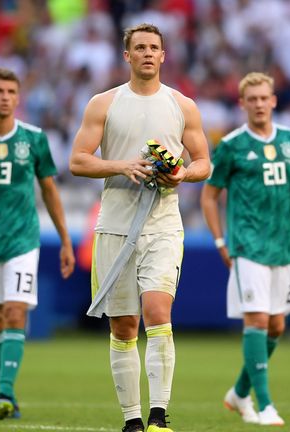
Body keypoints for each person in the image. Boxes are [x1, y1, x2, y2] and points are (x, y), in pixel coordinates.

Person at [70, 23, 211, 432]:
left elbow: (204, 163)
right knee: (124, 325)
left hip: (164, 225)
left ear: (164, 56)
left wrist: (181, 174)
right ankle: (131, 419)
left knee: (157, 311)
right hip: (114, 226)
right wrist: (122, 164)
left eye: (154, 47)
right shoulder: (104, 103)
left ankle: (159, 416)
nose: (148, 53)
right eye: (140, 47)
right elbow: (78, 160)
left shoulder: (182, 105)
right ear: (127, 55)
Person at [201, 72, 290, 426]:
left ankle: (238, 392)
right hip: (248, 246)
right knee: (258, 319)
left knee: (277, 325)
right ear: (243, 103)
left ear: (274, 100)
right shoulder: (232, 145)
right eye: (253, 99)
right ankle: (265, 405)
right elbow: (209, 196)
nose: (260, 104)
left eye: (265, 98)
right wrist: (220, 240)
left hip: (284, 247)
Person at [0, 68, 75, 420]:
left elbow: (50, 190)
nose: (5, 96)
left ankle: (5, 393)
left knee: (15, 312)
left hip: (22, 240)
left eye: (11, 91)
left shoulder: (35, 139)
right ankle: (4, 390)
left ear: (18, 98)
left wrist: (66, 240)